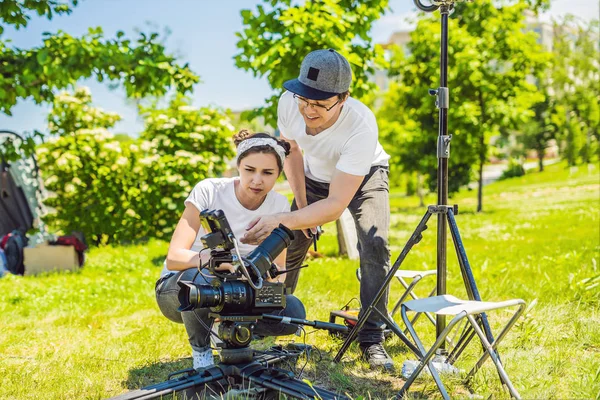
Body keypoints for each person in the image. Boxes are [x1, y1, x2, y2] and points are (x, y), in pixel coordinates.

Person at [241, 49, 394, 371]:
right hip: (313, 176)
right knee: (289, 239)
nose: (309, 110)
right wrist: (301, 207)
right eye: (304, 100)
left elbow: (337, 204)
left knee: (374, 243)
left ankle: (372, 336)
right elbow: (292, 151)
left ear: (343, 97)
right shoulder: (288, 101)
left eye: (320, 104)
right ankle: (274, 317)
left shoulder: (361, 125)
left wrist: (283, 217)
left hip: (365, 175)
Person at [155, 131, 306, 370]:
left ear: (279, 174)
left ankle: (233, 332)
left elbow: (281, 274)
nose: (257, 180)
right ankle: (202, 352)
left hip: (241, 288)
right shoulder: (209, 191)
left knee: (294, 310)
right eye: (249, 170)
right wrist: (216, 261)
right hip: (183, 288)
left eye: (268, 173)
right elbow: (174, 258)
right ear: (238, 166)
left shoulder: (278, 204)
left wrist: (264, 266)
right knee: (201, 280)